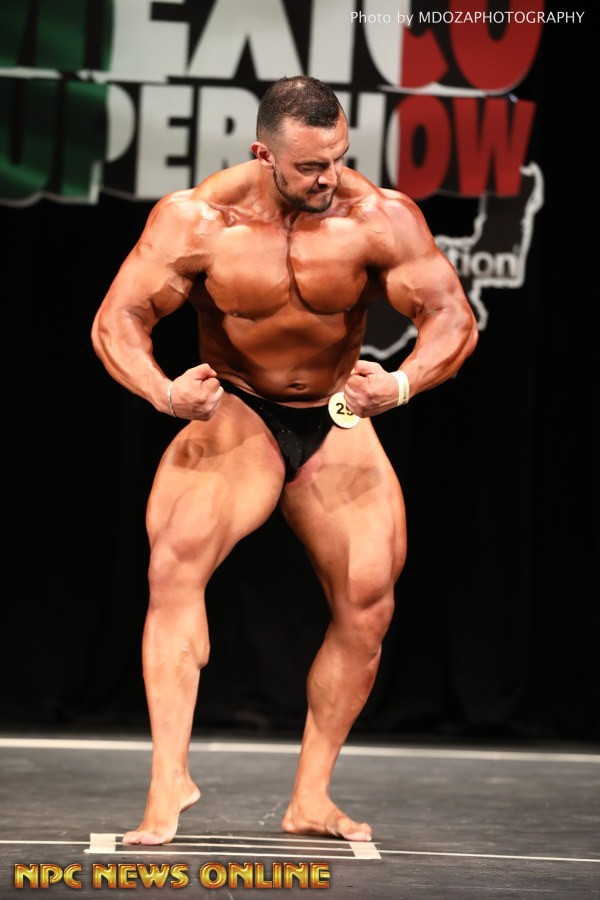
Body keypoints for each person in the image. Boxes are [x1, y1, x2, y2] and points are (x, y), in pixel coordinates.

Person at [91, 74, 478, 846]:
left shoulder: (379, 217)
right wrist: (166, 393)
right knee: (174, 565)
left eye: (338, 158)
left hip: (336, 414)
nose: (329, 178)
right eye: (309, 166)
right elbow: (117, 320)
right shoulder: (198, 220)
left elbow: (452, 318)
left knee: (369, 601)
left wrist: (400, 383)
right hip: (239, 408)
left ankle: (311, 798)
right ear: (264, 154)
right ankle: (168, 783)